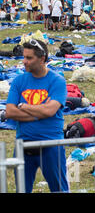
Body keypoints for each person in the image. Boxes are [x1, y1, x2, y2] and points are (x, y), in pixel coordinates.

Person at [3, 40, 69, 193]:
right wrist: (40, 112)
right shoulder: (19, 80)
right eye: (24, 57)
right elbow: (10, 112)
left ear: (42, 59)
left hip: (51, 145)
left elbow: (50, 111)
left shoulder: (57, 81)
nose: (24, 61)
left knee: (59, 189)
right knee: (22, 189)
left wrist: (24, 106)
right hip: (23, 145)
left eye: (29, 58)